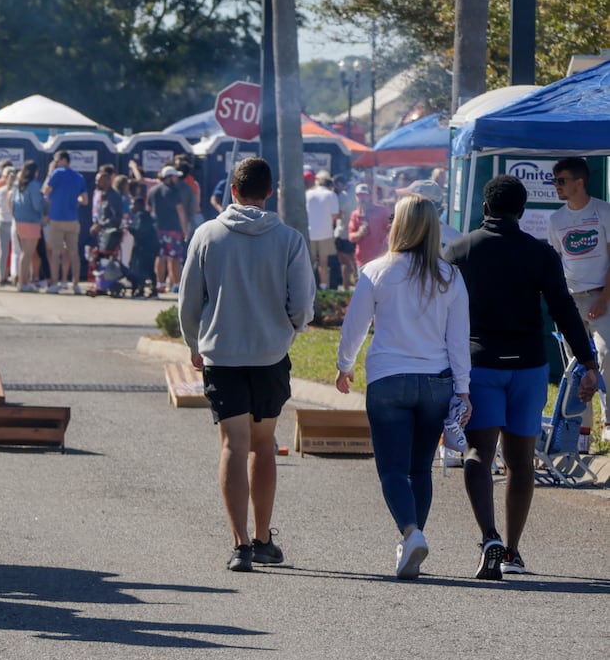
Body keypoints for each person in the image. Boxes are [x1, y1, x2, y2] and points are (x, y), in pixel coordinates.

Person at [446, 175, 600, 579]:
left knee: (478, 452)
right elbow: (564, 309)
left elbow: (439, 311)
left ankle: (490, 538)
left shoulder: (460, 251)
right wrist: (588, 360)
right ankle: (512, 551)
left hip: (480, 365)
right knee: (520, 462)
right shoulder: (540, 253)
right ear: (521, 212)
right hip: (529, 368)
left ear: (485, 208)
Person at [177, 157, 314, 573]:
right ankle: (262, 537)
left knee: (232, 446)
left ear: (232, 191)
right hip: (270, 355)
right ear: (269, 192)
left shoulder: (207, 235)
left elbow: (188, 301)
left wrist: (194, 344)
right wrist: (291, 328)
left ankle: (239, 545)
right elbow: (303, 303)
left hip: (223, 354)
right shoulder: (289, 239)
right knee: (263, 445)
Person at [335, 195, 470, 579]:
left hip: (388, 380)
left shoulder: (376, 270)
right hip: (437, 382)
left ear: (398, 225)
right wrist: (463, 389)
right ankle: (413, 538)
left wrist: (345, 366)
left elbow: (355, 328)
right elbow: (459, 338)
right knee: (420, 469)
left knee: (392, 469)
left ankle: (411, 534)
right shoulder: (450, 276)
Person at [547, 156, 610, 435]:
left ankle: (608, 423)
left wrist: (604, 298)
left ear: (580, 182)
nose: (556, 186)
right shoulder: (556, 219)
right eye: (554, 181)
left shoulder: (604, 211)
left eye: (561, 181)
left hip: (601, 296)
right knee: (575, 367)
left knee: (606, 357)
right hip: (570, 300)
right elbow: (556, 263)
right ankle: (578, 429)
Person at [44, 151, 86, 294]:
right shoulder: (79, 177)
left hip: (56, 218)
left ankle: (55, 284)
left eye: (56, 160)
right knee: (74, 253)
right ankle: (75, 284)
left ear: (62, 160)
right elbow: (85, 200)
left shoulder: (57, 174)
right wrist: (74, 200)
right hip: (72, 219)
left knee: (55, 253)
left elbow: (45, 190)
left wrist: (50, 171)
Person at [148, 165, 190, 292]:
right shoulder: (173, 191)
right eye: (175, 176)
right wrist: (185, 230)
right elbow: (180, 211)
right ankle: (176, 284)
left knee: (160, 257)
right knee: (174, 258)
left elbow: (148, 209)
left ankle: (160, 283)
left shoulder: (153, 190)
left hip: (157, 228)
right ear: (169, 177)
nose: (177, 179)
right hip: (173, 229)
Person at [11, 162, 45, 291]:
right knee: (28, 253)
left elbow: (13, 203)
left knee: (24, 253)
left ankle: (23, 281)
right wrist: (44, 204)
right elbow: (37, 205)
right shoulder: (34, 185)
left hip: (20, 221)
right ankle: (23, 282)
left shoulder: (17, 185)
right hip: (32, 220)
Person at [305, 172, 340, 289]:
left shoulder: (308, 193)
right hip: (325, 232)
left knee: (309, 262)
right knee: (323, 262)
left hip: (310, 232)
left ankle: (307, 286)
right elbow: (335, 215)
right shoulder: (331, 195)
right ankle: (323, 287)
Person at [348, 184, 391, 269]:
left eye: (364, 195)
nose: (362, 198)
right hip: (363, 260)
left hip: (380, 258)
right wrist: (359, 233)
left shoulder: (382, 210)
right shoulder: (355, 214)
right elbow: (351, 237)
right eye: (359, 195)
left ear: (370, 196)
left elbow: (393, 222)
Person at [0, 165, 17, 287]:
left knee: (3, 250)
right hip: (14, 221)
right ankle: (16, 276)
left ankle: (1, 277)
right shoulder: (17, 190)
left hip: (1, 221)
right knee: (17, 251)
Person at [333, 176, 357, 289]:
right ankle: (358, 285)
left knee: (345, 263)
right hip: (355, 233)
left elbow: (339, 214)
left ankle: (346, 288)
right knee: (354, 261)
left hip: (343, 233)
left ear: (339, 184)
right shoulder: (356, 192)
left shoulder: (343, 196)